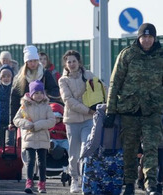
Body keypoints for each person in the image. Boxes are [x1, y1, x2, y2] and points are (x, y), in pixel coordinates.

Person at [104, 23, 163, 195]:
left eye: (150, 37)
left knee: (151, 148)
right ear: (138, 38)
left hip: (152, 110)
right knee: (129, 149)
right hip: (129, 109)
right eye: (144, 37)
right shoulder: (127, 55)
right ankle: (129, 183)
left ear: (154, 38)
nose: (147, 40)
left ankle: (151, 184)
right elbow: (115, 83)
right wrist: (110, 110)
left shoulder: (160, 56)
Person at [58, 50, 96, 193]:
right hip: (72, 120)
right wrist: (88, 110)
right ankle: (74, 179)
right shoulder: (63, 80)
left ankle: (86, 178)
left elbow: (101, 89)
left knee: (86, 149)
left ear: (79, 62)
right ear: (66, 64)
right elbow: (68, 101)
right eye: (69, 62)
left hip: (88, 120)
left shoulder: (88, 75)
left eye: (74, 61)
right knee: (73, 153)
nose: (72, 64)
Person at [13, 80, 56, 194]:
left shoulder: (47, 107)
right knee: (30, 161)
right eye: (36, 93)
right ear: (31, 94)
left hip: (42, 137)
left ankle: (42, 183)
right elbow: (16, 119)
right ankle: (29, 182)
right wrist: (26, 124)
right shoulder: (25, 106)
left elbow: (52, 121)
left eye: (41, 93)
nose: (39, 95)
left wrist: (38, 125)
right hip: (29, 137)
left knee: (42, 162)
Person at [9, 45, 60, 131]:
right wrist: (12, 121)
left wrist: (43, 96)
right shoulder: (20, 78)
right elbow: (14, 99)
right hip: (26, 115)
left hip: (42, 114)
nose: (33, 64)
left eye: (35, 61)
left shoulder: (45, 74)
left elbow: (54, 90)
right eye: (30, 61)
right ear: (26, 62)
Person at [0, 64, 15, 147]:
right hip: (0, 118)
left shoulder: (14, 88)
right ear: (0, 77)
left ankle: (10, 158)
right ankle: (0, 157)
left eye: (8, 76)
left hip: (12, 118)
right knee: (0, 141)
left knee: (11, 141)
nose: (6, 78)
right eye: (3, 76)